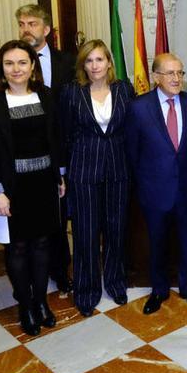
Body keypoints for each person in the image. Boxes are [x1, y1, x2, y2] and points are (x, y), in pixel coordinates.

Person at [0, 40, 66, 337]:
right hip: (8, 189)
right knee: (18, 247)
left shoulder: (47, 95)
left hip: (43, 184)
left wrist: (60, 176)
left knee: (42, 245)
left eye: (22, 63)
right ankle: (25, 305)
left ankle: (41, 302)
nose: (16, 69)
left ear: (32, 66)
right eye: (9, 64)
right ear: (1, 68)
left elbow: (56, 138)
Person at [126, 53, 187, 314]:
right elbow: (132, 153)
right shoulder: (138, 108)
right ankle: (158, 290)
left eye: (180, 73)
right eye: (170, 73)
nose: (176, 78)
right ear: (155, 77)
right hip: (154, 190)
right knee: (157, 242)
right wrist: (143, 186)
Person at [62, 40, 134, 317]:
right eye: (89, 61)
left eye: (99, 60)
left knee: (117, 230)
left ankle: (115, 283)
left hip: (118, 170)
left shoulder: (124, 89)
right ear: (83, 65)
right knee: (86, 233)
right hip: (83, 171)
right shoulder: (71, 93)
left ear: (109, 63)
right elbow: (65, 134)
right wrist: (65, 172)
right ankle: (86, 291)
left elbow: (131, 130)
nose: (94, 66)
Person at [16, 4, 75, 293]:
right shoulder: (10, 63)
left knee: (59, 216)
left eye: (32, 23)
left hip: (60, 152)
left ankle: (61, 271)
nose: (26, 29)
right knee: (29, 219)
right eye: (22, 24)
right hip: (24, 157)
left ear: (46, 29)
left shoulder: (68, 61)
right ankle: (28, 277)